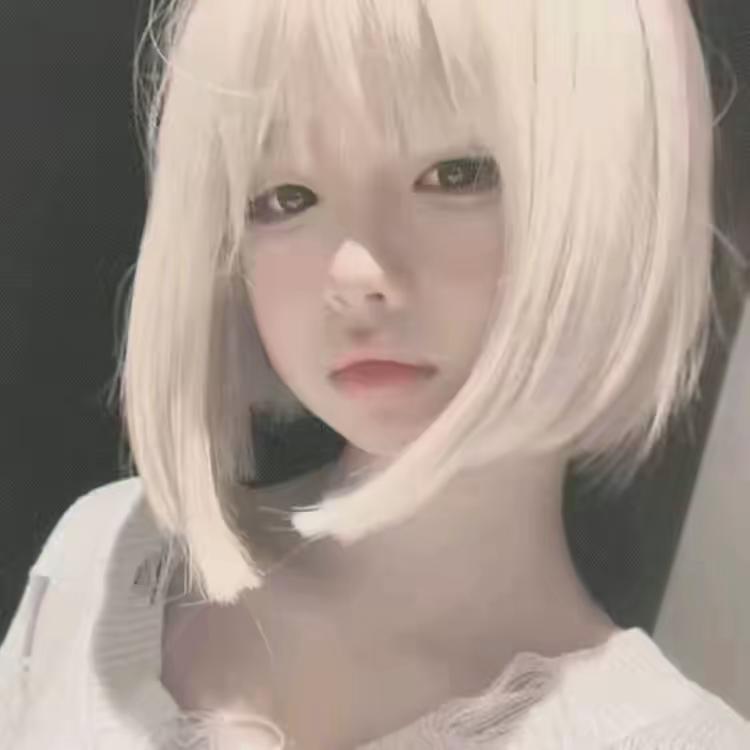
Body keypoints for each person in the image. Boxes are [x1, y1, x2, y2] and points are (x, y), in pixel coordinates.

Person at [2, 0, 749, 748]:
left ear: (612, 191)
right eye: (286, 197)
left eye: (456, 174)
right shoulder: (108, 561)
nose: (353, 274)